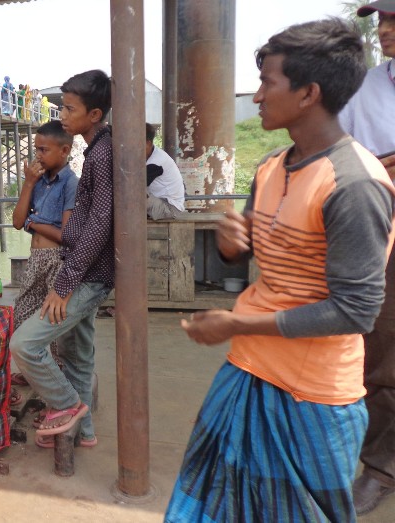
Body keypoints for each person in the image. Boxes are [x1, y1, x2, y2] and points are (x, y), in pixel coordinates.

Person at [166, 19, 395, 522]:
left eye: (269, 82)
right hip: (248, 369)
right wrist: (231, 248)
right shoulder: (271, 165)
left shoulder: (354, 185)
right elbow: (250, 258)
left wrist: (236, 322)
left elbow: (355, 312)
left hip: (313, 396)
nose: (258, 96)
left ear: (309, 93)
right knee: (208, 506)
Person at [9, 70, 113, 449]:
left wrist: (65, 284)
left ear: (95, 114)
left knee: (24, 344)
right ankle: (83, 433)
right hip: (86, 269)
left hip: (86, 275)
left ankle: (66, 405)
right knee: (77, 353)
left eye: (70, 109)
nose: (63, 115)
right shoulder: (98, 151)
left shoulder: (100, 155)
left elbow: (99, 223)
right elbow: (78, 227)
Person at [339, 1, 395, 515]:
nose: (386, 30)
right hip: (384, 228)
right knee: (380, 348)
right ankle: (380, 465)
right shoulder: (367, 87)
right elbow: (349, 154)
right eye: (382, 20)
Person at [10, 120, 78, 415]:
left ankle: (53, 391)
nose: (38, 155)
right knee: (22, 313)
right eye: (35, 149)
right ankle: (33, 371)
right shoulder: (36, 181)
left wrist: (33, 223)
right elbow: (16, 221)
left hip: (56, 261)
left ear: (64, 151)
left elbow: (66, 235)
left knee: (46, 324)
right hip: (35, 258)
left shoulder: (70, 183)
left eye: (44, 150)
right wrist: (27, 183)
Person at [145, 123, 185, 220]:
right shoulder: (150, 154)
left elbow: (134, 187)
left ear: (148, 143)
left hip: (170, 208)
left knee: (131, 197)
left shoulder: (156, 162)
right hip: (159, 201)